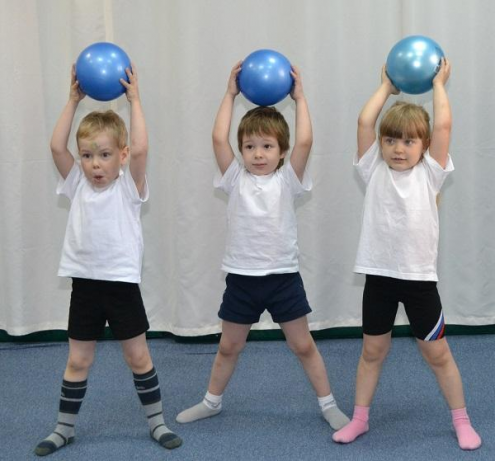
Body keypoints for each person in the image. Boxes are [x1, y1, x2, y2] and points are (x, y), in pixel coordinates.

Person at [176, 61, 349, 431]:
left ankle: (328, 404)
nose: (258, 153)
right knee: (228, 347)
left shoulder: (289, 179)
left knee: (303, 346)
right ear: (241, 150)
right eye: (250, 146)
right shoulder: (233, 177)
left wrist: (300, 98)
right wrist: (229, 94)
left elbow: (305, 140)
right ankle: (211, 402)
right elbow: (216, 139)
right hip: (242, 279)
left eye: (267, 146)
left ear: (281, 152)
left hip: (283, 277)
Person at [332, 59, 481, 451]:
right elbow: (365, 122)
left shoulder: (431, 172)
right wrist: (386, 87)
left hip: (418, 281)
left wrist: (440, 86)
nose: (399, 149)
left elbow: (444, 124)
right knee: (372, 351)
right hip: (378, 277)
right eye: (391, 140)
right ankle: (360, 419)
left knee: (438, 354)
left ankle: (461, 421)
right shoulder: (372, 170)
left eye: (409, 141)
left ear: (425, 147)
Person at [34, 65, 182, 456]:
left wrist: (135, 101)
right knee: (78, 360)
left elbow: (144, 148)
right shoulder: (76, 182)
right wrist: (72, 101)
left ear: (122, 155)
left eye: (103, 155)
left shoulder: (130, 188)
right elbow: (54, 147)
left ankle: (157, 423)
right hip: (84, 285)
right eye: (87, 155)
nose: (95, 164)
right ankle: (63, 429)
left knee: (138, 356)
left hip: (120, 285)